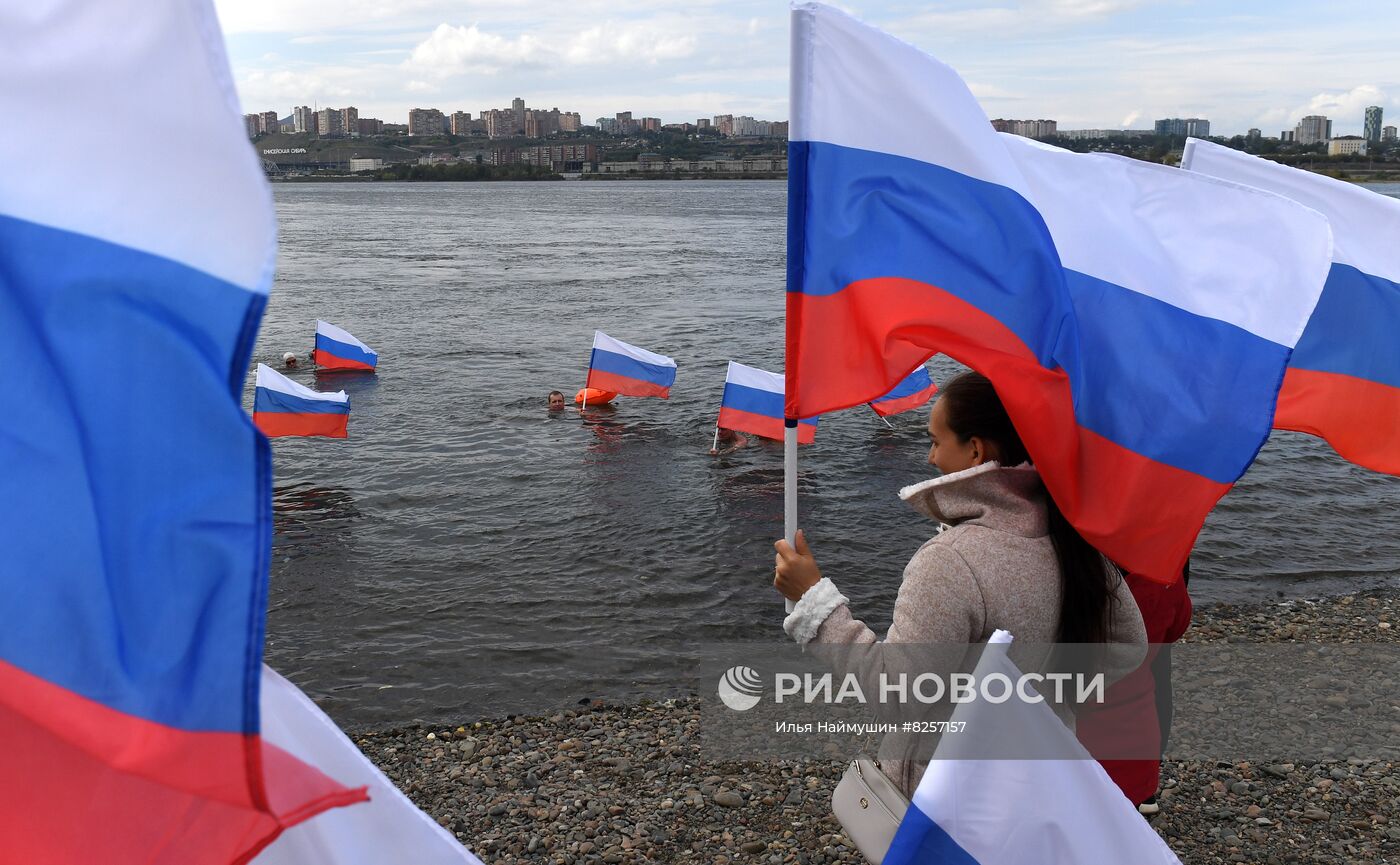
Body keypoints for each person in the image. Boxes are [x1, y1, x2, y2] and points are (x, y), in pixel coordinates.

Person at [773, 370, 1147, 797]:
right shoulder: (1074, 540)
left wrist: (816, 605)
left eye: (935, 441)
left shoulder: (952, 561)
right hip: (1041, 772)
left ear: (975, 450)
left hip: (947, 792)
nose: (930, 458)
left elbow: (898, 696)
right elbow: (1128, 647)